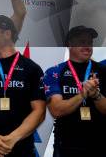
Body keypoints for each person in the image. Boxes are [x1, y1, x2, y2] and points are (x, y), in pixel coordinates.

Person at [0, 15, 46, 157]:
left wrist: (12, 138)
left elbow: (39, 111)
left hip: (21, 148)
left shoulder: (31, 68)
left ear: (7, 33)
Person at [43, 26, 106, 156]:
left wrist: (96, 95)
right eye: (82, 42)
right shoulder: (54, 72)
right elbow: (56, 110)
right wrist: (83, 93)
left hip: (100, 144)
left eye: (90, 42)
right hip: (66, 145)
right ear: (69, 44)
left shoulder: (103, 71)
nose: (87, 46)